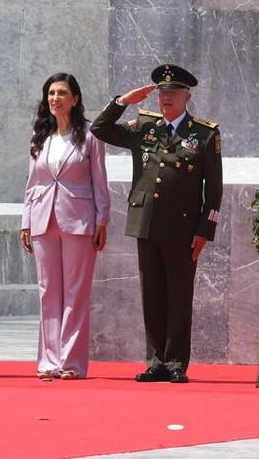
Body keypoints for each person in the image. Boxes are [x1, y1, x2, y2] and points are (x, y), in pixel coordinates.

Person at [91, 64, 222, 384]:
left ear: (187, 97)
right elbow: (99, 129)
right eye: (162, 93)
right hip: (146, 222)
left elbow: (214, 189)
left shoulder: (204, 133)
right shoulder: (144, 127)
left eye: (173, 93)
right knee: (152, 294)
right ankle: (156, 361)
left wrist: (204, 230)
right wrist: (122, 101)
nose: (166, 98)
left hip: (183, 227)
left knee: (179, 294)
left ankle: (176, 361)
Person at [21, 73, 110, 380]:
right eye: (51, 93)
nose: (55, 98)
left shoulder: (89, 135)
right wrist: (26, 221)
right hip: (43, 220)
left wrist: (103, 219)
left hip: (79, 219)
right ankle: (48, 361)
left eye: (62, 93)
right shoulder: (41, 136)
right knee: (48, 291)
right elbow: (33, 184)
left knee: (75, 292)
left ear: (75, 99)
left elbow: (100, 180)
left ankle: (71, 362)